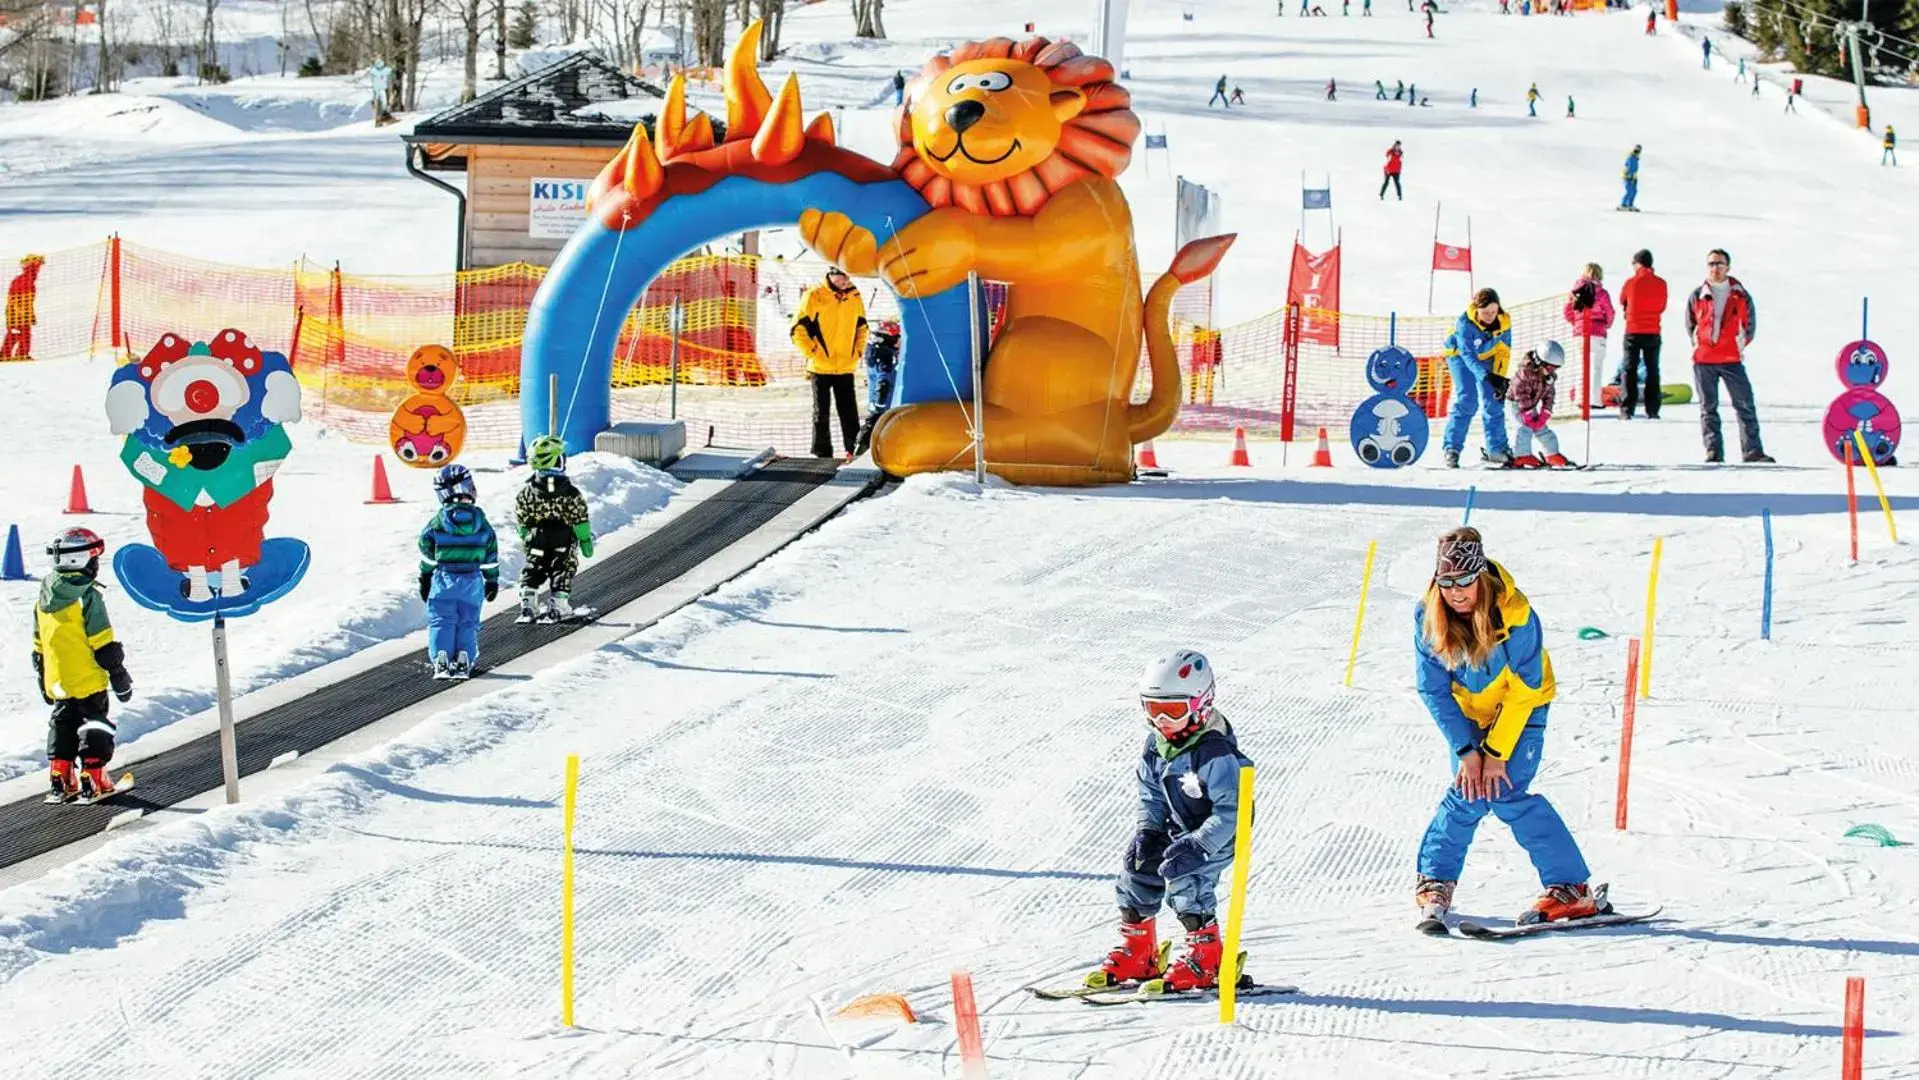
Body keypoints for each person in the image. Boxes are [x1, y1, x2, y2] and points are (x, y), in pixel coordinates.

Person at [1413, 527, 1604, 930]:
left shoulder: (1515, 614)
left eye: (1464, 581)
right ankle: (1435, 882)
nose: (1456, 592)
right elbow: (1432, 688)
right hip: (1470, 715)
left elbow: (1525, 689)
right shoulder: (1428, 615)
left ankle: (1570, 889)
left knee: (1502, 788)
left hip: (1523, 707)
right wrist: (1468, 752)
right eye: (1446, 583)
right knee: (1469, 788)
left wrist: (1496, 754)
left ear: (1479, 577)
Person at [1088, 650, 1252, 993]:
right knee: (1136, 870)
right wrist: (1148, 832)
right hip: (1180, 831)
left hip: (1219, 836)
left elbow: (1232, 812)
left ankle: (1206, 957)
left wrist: (1199, 844)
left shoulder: (1214, 753)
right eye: (1153, 708)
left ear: (1201, 704)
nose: (1162, 719)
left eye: (1173, 710)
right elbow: (1150, 795)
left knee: (1185, 878)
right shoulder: (1156, 746)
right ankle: (1139, 951)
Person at [34, 527, 134, 803]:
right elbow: (103, 644)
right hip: (88, 678)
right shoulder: (87, 597)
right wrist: (119, 675)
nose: (96, 566)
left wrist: (42, 677)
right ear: (82, 561)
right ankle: (94, 775)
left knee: (63, 722)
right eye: (95, 560)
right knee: (95, 722)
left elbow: (38, 645)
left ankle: (60, 775)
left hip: (58, 679)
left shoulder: (44, 597)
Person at [1686, 250, 1772, 463]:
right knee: (1708, 408)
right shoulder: (1698, 294)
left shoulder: (1740, 295)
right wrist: (1698, 343)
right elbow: (1691, 323)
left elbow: (1749, 325)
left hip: (1731, 359)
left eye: (1720, 264)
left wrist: (1738, 345)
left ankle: (1752, 451)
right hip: (1704, 360)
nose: (1715, 268)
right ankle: (1713, 451)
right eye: (1711, 264)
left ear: (1728, 267)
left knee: (1745, 404)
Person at [419, 463, 501, 679]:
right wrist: (491, 580)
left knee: (442, 619)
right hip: (472, 580)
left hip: (444, 579)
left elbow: (426, 548)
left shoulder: (438, 522)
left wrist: (425, 575)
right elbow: (491, 552)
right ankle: (465, 657)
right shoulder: (481, 522)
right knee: (468, 620)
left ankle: (442, 658)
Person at [514, 435, 594, 624]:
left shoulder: (526, 492)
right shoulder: (570, 492)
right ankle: (558, 604)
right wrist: (585, 540)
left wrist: (526, 537)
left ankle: (528, 600)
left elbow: (522, 519)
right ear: (557, 461)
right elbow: (579, 517)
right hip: (563, 539)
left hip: (536, 538)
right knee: (562, 568)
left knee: (534, 565)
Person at [791, 266, 868, 459]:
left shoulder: (855, 297)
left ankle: (854, 448)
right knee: (821, 412)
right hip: (820, 366)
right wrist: (813, 352)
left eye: (849, 276)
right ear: (832, 275)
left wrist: (858, 351)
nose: (846, 280)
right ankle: (821, 452)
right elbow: (798, 329)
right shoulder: (814, 295)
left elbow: (862, 327)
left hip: (845, 365)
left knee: (849, 411)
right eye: (842, 276)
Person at [1441, 288, 1515, 468]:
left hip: (1487, 355)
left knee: (1494, 400)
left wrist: (1498, 378)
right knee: (1468, 400)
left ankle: (1497, 449)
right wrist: (1487, 376)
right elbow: (1468, 356)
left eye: (1493, 311)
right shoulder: (1464, 323)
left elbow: (1503, 352)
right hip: (1459, 356)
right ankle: (1452, 449)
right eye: (1485, 312)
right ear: (1476, 309)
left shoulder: (1504, 322)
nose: (1490, 316)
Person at [1617, 248, 1668, 419]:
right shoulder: (1661, 283)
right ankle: (1653, 409)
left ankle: (1627, 409)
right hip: (1653, 330)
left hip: (1633, 330)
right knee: (1653, 370)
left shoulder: (1631, 282)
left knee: (1629, 369)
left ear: (1637, 263)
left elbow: (1622, 300)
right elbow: (1662, 306)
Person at [1509, 343, 1572, 468]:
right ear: (1539, 361)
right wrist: (1526, 412)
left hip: (1530, 406)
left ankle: (1552, 455)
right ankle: (1521, 456)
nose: (1552, 371)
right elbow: (1519, 393)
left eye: (1556, 368)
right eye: (1550, 368)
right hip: (1515, 403)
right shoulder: (1524, 373)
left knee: (1543, 430)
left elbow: (1549, 394)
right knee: (1524, 428)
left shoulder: (1548, 376)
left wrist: (1545, 412)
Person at [1563, 262, 1615, 411]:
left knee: (1582, 366)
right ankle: (1595, 400)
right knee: (1596, 368)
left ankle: (1580, 399)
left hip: (1580, 333)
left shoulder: (1575, 293)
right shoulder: (1602, 293)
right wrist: (1606, 324)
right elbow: (1610, 312)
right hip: (1598, 332)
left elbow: (1568, 311)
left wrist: (1576, 323)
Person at [855, 319, 901, 455]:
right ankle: (860, 453)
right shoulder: (885, 357)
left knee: (874, 428)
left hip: (878, 402)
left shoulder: (875, 353)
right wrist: (880, 404)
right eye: (896, 338)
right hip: (884, 405)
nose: (899, 342)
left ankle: (862, 452)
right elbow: (883, 381)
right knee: (874, 427)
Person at [2, 254, 43, 361]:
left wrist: (31, 315)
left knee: (22, 334)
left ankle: (14, 355)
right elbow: (16, 300)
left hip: (20, 313)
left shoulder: (29, 280)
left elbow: (27, 301)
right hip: (16, 313)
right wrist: (22, 313)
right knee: (19, 334)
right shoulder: (24, 280)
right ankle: (14, 355)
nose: (39, 269)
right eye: (37, 266)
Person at [1619, 144, 1641, 210]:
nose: (1637, 151)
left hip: (1633, 178)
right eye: (1636, 149)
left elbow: (1635, 170)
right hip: (1627, 177)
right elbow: (1630, 168)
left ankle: (1630, 204)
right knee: (1630, 191)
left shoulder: (1636, 159)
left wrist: (1635, 178)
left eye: (1639, 150)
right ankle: (1623, 204)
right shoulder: (1631, 157)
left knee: (1634, 191)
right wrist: (1630, 177)